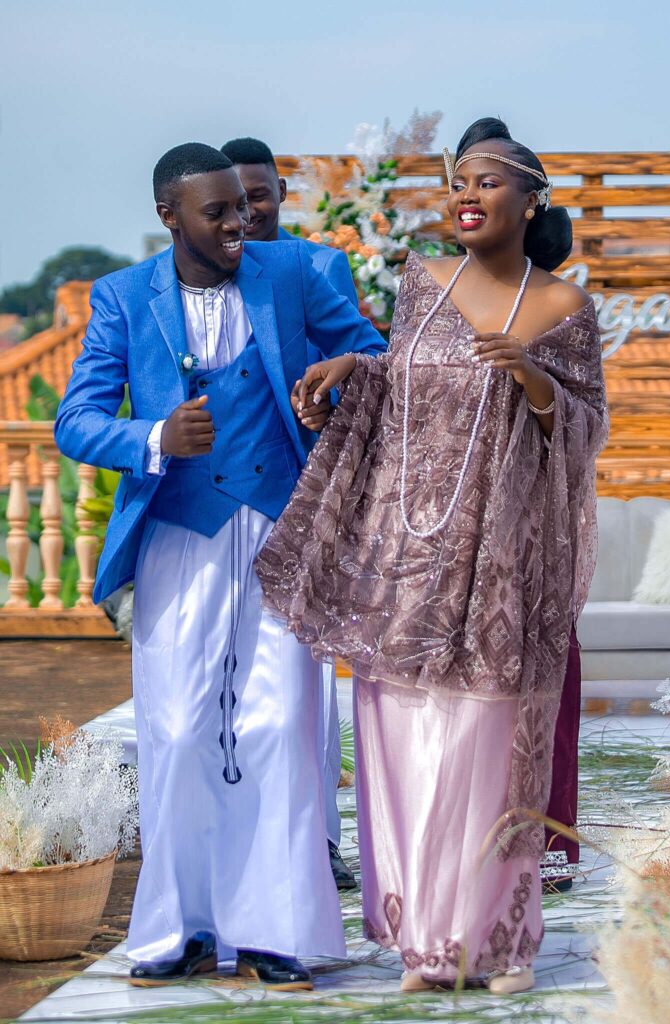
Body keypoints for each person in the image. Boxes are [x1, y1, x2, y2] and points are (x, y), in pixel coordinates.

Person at [255, 118, 609, 994]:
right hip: (408, 553)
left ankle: (504, 944)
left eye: (488, 182)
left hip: (504, 561)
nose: (467, 194)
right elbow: (407, 379)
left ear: (530, 201)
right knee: (407, 738)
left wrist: (532, 377)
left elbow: (589, 424)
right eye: (459, 180)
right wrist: (353, 367)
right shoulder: (423, 282)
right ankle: (426, 945)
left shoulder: (564, 308)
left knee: (493, 744)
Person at [54, 143, 386, 989]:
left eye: (245, 206)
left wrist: (338, 379)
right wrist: (155, 439)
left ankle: (274, 930)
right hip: (178, 532)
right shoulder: (126, 298)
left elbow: (384, 367)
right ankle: (182, 927)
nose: (241, 222)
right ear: (170, 216)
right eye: (220, 212)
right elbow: (77, 419)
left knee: (278, 727)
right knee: (176, 729)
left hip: (280, 526)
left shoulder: (301, 272)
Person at [220, 135, 356, 890]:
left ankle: (321, 838)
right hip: (222, 504)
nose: (250, 208)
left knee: (308, 682)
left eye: (260, 193)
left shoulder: (314, 266)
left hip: (307, 493)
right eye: (236, 197)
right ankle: (243, 828)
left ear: (279, 192)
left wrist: (323, 397)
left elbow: (355, 361)